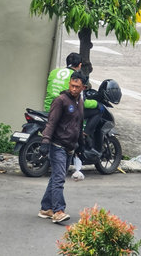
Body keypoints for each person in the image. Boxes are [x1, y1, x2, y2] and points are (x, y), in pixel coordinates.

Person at [38, 71, 87, 223]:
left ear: (83, 87)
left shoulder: (80, 102)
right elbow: (51, 122)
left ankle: (46, 208)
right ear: (69, 84)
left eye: (77, 87)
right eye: (72, 85)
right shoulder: (61, 100)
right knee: (59, 179)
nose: (73, 89)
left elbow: (78, 125)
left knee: (55, 178)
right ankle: (59, 211)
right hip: (57, 145)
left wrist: (81, 145)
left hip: (70, 147)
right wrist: (45, 141)